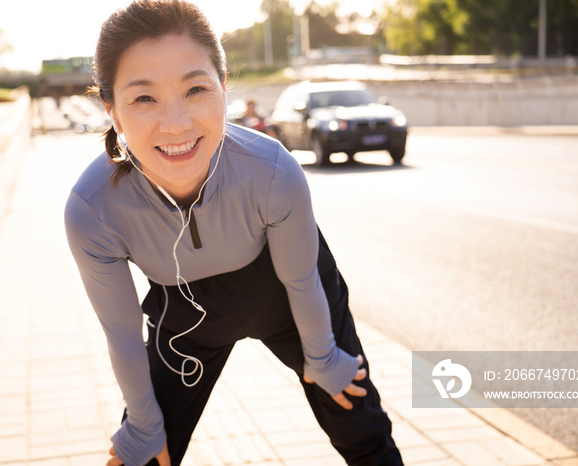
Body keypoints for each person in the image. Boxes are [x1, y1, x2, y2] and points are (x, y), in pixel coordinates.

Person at [64, 1, 404, 465]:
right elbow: (121, 333)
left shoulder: (273, 171)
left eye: (196, 89)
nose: (176, 123)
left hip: (288, 292)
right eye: (144, 98)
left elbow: (301, 280)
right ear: (113, 111)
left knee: (360, 423)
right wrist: (143, 424)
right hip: (187, 315)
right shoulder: (93, 210)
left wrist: (323, 359)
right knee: (140, 456)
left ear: (224, 89)